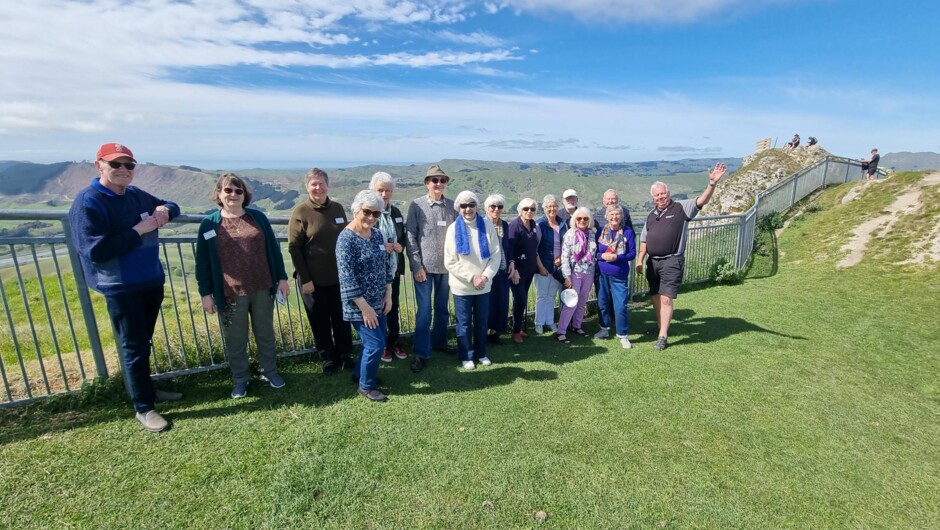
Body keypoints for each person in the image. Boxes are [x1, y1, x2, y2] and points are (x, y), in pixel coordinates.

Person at [68, 142, 181, 433]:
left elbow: (172, 205)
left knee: (143, 342)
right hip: (121, 286)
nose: (122, 170)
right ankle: (143, 407)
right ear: (99, 166)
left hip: (149, 280)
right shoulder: (88, 201)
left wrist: (164, 210)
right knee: (133, 346)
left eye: (128, 165)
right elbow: (95, 250)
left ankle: (148, 390)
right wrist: (138, 230)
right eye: (115, 164)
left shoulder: (133, 195)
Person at [196, 174, 290, 398]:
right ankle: (240, 379)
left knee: (265, 334)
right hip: (229, 293)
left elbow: (274, 251)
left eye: (238, 191)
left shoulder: (257, 218)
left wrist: (282, 278)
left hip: (262, 287)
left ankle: (270, 371)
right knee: (235, 339)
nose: (233, 195)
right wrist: (205, 294)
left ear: (245, 195)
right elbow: (203, 262)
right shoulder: (209, 223)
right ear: (219, 194)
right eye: (228, 190)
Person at [636, 163, 727, 351]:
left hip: (672, 260)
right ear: (653, 198)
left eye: (663, 194)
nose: (661, 197)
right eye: (657, 195)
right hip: (652, 262)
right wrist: (639, 260)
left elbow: (702, 200)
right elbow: (644, 240)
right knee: (655, 296)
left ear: (668, 193)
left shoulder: (681, 208)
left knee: (667, 298)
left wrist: (712, 184)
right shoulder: (651, 215)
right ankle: (661, 326)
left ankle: (662, 336)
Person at [288, 168, 352, 374]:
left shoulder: (338, 209)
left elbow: (346, 239)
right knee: (319, 320)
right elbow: (294, 248)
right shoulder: (301, 212)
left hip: (338, 278)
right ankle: (327, 358)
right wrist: (305, 279)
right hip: (312, 281)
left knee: (342, 319)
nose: (318, 187)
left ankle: (345, 355)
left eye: (321, 183)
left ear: (327, 185)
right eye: (313, 184)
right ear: (307, 187)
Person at [337, 190, 395, 402]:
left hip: (379, 301)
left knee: (375, 342)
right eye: (367, 212)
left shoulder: (377, 234)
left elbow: (385, 266)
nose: (371, 217)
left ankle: (359, 374)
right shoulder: (346, 239)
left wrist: (389, 293)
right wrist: (365, 308)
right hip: (359, 305)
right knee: (375, 344)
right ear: (355, 210)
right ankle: (366, 386)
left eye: (376, 214)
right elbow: (347, 278)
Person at [405, 164, 457, 373]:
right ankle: (420, 352)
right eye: (434, 180)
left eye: (442, 180)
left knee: (442, 309)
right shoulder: (416, 205)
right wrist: (416, 265)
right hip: (424, 269)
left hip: (447, 268)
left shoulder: (453, 206)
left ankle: (439, 343)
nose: (438, 184)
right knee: (424, 312)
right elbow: (410, 236)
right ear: (427, 183)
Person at [444, 191, 501, 370]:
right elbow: (450, 261)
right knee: (464, 322)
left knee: (482, 321)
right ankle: (466, 355)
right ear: (458, 208)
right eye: (463, 206)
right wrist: (472, 277)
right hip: (462, 286)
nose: (467, 209)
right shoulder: (453, 229)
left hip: (483, 285)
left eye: (471, 204)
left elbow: (496, 255)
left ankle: (481, 352)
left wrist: (484, 277)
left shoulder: (487, 225)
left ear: (476, 205)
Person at [369, 172, 408, 363]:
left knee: (393, 307)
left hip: (393, 269)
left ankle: (394, 341)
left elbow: (402, 237)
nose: (384, 194)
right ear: (373, 190)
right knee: (378, 308)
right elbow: (364, 237)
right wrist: (381, 247)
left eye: (388, 191)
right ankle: (381, 344)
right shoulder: (369, 212)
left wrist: (400, 246)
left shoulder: (396, 213)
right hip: (374, 272)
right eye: (380, 190)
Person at [595, 204, 637, 349]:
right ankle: (604, 328)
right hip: (602, 274)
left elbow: (632, 253)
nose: (614, 217)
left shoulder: (628, 232)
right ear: (606, 216)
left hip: (619, 274)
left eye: (617, 214)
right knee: (602, 302)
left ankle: (623, 335)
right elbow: (594, 252)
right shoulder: (601, 231)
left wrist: (617, 258)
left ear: (621, 216)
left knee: (620, 305)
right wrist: (602, 256)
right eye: (611, 214)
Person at [506, 197, 548, 343]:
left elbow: (534, 250)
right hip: (516, 272)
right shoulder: (514, 226)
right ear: (520, 210)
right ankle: (516, 331)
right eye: (526, 209)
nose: (529, 211)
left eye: (532, 209)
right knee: (521, 299)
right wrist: (514, 269)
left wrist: (540, 267)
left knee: (521, 301)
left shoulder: (535, 225)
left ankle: (518, 328)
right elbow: (509, 249)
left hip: (529, 269)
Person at [556, 207, 597, 344]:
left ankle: (577, 326)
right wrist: (566, 276)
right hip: (574, 273)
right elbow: (565, 256)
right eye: (579, 218)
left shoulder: (592, 234)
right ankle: (561, 331)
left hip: (589, 272)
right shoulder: (570, 234)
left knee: (582, 302)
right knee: (571, 303)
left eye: (585, 218)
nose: (582, 221)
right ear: (575, 220)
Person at [534, 195, 567, 334]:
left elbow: (565, 244)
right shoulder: (539, 224)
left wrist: (561, 259)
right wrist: (540, 267)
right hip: (543, 265)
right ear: (544, 208)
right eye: (548, 206)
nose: (552, 209)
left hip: (557, 266)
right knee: (542, 295)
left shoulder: (562, 224)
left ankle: (550, 322)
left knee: (551, 295)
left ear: (558, 208)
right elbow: (534, 248)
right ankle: (539, 323)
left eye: (554, 206)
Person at [484, 194, 511, 345]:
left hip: (502, 269)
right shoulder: (481, 224)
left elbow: (508, 247)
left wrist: (511, 261)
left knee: (500, 301)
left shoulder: (505, 225)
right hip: (486, 269)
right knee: (487, 302)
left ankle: (494, 332)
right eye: (493, 206)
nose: (496, 209)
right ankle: (484, 332)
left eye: (499, 206)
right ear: (486, 208)